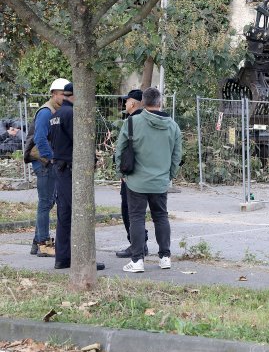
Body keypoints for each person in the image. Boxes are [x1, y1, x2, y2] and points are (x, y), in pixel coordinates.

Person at [115, 87, 182, 273]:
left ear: (143, 103)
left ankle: (137, 261)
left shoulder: (132, 122)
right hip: (160, 181)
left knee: (136, 218)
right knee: (161, 216)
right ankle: (165, 257)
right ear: (160, 102)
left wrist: (121, 174)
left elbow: (119, 150)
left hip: (136, 180)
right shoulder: (173, 126)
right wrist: (169, 175)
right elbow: (177, 156)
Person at [48, 83, 105, 270]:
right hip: (71, 168)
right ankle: (83, 259)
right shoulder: (72, 114)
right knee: (80, 213)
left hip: (60, 167)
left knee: (64, 214)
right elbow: (80, 142)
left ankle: (62, 258)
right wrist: (93, 159)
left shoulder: (55, 115)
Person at [29, 78, 69, 257]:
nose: (65, 97)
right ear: (54, 94)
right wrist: (52, 159)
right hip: (44, 162)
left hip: (46, 161)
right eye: (62, 94)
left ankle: (37, 242)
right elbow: (40, 138)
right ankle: (43, 243)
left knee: (47, 202)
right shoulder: (46, 112)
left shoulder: (57, 110)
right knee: (45, 203)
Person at [115, 89, 148, 259]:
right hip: (149, 171)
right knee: (145, 212)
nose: (125, 104)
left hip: (132, 171)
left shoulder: (132, 121)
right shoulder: (150, 119)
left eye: (126, 101)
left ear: (133, 103)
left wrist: (120, 170)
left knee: (129, 210)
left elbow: (121, 148)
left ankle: (137, 245)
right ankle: (142, 243)